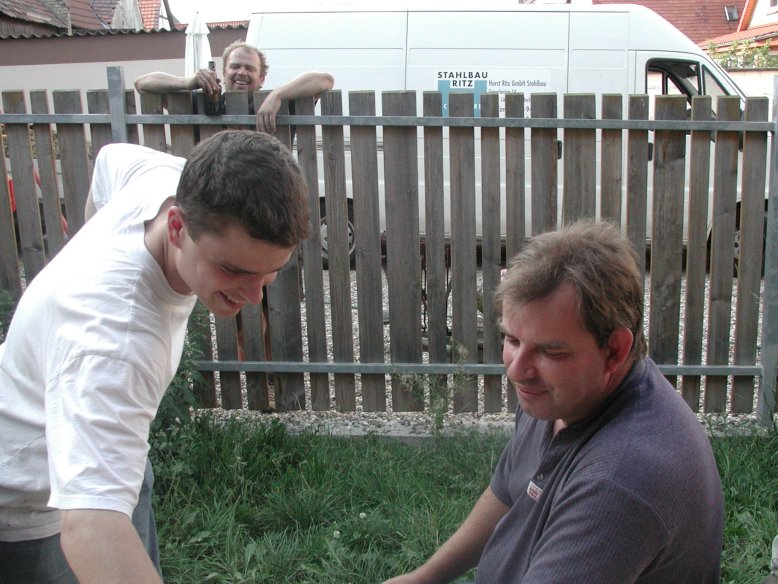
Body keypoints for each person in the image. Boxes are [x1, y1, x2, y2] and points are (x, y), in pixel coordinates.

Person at [0, 129, 311, 582]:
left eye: (270, 273)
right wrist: (101, 279)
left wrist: (93, 243)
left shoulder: (167, 179)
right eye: (233, 269)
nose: (253, 296)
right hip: (29, 499)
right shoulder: (116, 339)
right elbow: (91, 525)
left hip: (113, 446)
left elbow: (110, 159)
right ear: (177, 227)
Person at [384, 220, 724, 584]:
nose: (517, 370)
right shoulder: (564, 396)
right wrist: (426, 577)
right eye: (512, 340)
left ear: (614, 350)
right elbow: (508, 490)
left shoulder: (619, 482)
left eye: (551, 351)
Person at [134, 40, 334, 133]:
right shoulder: (199, 103)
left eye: (250, 68)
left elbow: (325, 81)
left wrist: (278, 95)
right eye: (235, 66)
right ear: (224, 72)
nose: (241, 73)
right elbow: (142, 83)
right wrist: (186, 82)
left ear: (262, 78)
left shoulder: (278, 105)